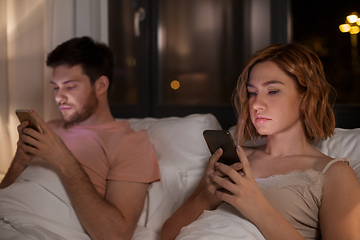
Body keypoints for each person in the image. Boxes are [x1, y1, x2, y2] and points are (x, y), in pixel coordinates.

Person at [160, 44, 360, 240]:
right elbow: (167, 234)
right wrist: (207, 197)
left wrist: (256, 206)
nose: (256, 104)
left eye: (273, 91)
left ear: (306, 97)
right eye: (252, 92)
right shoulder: (233, 159)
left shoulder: (334, 174)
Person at [0, 36, 160, 240]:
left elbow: (116, 234)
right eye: (56, 87)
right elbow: (7, 196)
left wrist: (62, 159)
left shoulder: (130, 143)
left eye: (70, 86)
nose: (59, 97)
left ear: (101, 85)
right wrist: (19, 161)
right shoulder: (49, 128)